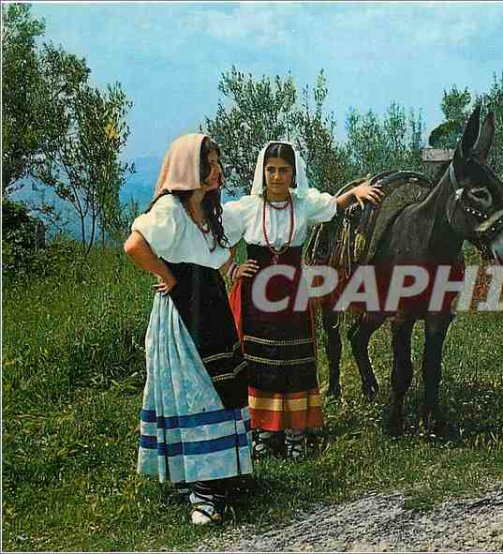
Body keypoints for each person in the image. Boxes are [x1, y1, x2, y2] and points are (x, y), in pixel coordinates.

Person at [223, 141, 382, 460]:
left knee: (295, 361)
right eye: (271, 170)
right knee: (259, 360)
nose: (277, 177)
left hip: (293, 293)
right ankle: (264, 433)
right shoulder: (247, 208)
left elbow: (334, 206)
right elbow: (218, 235)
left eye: (283, 170)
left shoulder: (304, 204)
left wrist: (355, 194)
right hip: (257, 293)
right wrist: (232, 268)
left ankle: (296, 433)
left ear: (294, 173)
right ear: (262, 172)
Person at [124, 133, 251, 525]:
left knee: (222, 384)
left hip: (210, 305)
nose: (216, 170)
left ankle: (216, 476)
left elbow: (226, 247)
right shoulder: (171, 209)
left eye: (215, 162)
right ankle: (201, 492)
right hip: (182, 313)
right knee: (193, 391)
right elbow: (134, 245)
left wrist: (225, 268)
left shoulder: (210, 211)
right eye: (207, 163)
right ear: (186, 169)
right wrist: (169, 275)